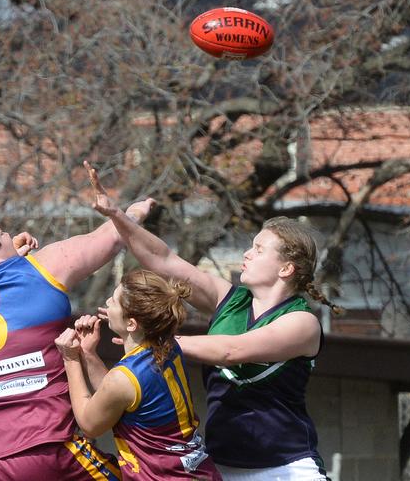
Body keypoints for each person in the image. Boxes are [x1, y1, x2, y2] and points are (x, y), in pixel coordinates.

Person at [86, 162, 333, 481]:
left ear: (286, 269)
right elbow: (163, 260)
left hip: (286, 467)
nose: (247, 254)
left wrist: (156, 341)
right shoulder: (228, 299)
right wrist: (117, 216)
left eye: (259, 249)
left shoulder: (302, 322)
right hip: (220, 467)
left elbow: (231, 350)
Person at [0, 196, 154, 481]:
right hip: (46, 449)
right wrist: (138, 209)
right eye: (3, 233)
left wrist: (9, 258)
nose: (11, 235)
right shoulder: (44, 269)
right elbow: (111, 236)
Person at [54, 269, 222, 480]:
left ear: (132, 323)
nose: (107, 302)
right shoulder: (168, 346)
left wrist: (70, 359)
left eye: (114, 301)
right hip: (198, 472)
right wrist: (88, 353)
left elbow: (89, 424)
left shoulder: (125, 378)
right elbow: (117, 397)